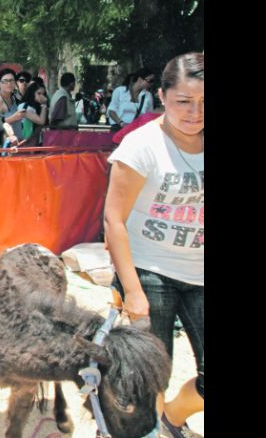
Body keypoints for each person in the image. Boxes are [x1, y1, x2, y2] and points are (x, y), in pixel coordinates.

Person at [104, 53, 203, 438]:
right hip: (150, 272)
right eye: (184, 101)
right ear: (162, 96)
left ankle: (172, 417)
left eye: (203, 102)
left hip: (200, 271)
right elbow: (114, 220)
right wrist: (132, 291)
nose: (195, 112)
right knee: (152, 377)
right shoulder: (141, 145)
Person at [0, 69, 24, 138]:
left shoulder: (13, 97)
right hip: (5, 142)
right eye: (5, 81)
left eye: (11, 80)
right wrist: (13, 118)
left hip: (18, 140)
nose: (9, 83)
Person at [17, 81, 49, 146]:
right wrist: (44, 104)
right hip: (26, 142)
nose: (41, 96)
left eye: (43, 94)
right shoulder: (24, 107)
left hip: (37, 141)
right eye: (39, 93)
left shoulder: (37, 106)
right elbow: (41, 121)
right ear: (32, 93)